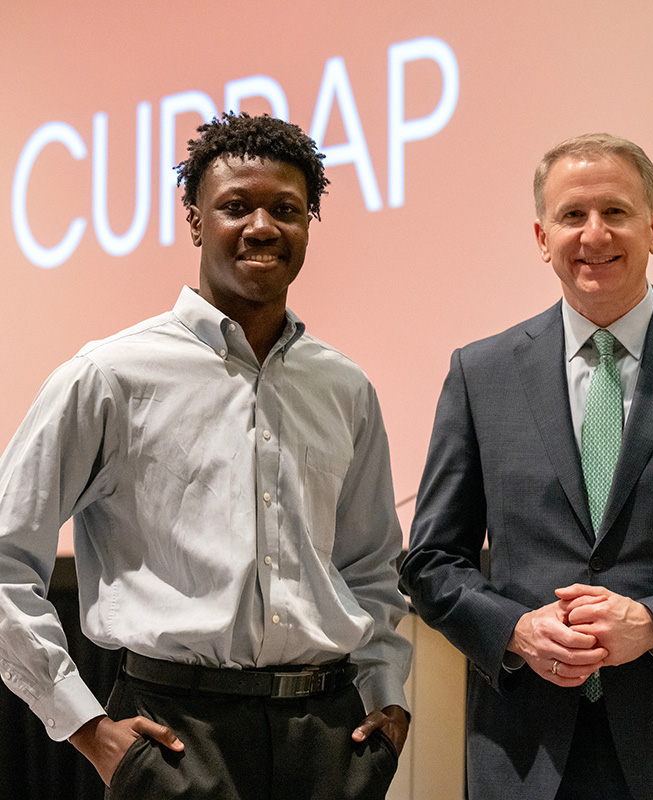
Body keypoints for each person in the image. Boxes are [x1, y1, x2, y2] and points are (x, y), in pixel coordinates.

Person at [0, 112, 411, 799]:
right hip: (174, 739)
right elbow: (7, 558)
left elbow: (370, 567)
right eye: (235, 206)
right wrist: (86, 728)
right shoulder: (108, 376)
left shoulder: (345, 387)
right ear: (194, 220)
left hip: (331, 740)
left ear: (309, 223)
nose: (261, 226)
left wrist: (388, 700)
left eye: (285, 209)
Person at [400, 132, 653, 799]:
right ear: (540, 236)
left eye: (615, 212)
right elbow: (432, 561)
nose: (594, 234)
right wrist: (518, 631)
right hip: (526, 758)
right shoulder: (481, 373)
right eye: (571, 216)